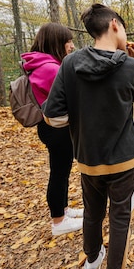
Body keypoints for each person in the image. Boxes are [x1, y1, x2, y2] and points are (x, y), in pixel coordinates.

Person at [42, 3, 134, 269]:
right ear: (115, 25)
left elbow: (53, 115)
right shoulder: (130, 67)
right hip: (125, 161)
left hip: (88, 160)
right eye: (124, 28)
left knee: (92, 212)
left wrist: (81, 123)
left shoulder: (70, 63)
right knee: (120, 218)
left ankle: (92, 265)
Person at [21, 23, 83, 237]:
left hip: (50, 126)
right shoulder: (51, 68)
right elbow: (71, 97)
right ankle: (58, 220)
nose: (71, 46)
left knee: (62, 170)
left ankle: (63, 210)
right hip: (56, 128)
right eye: (68, 41)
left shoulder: (42, 64)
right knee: (58, 172)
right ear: (57, 42)